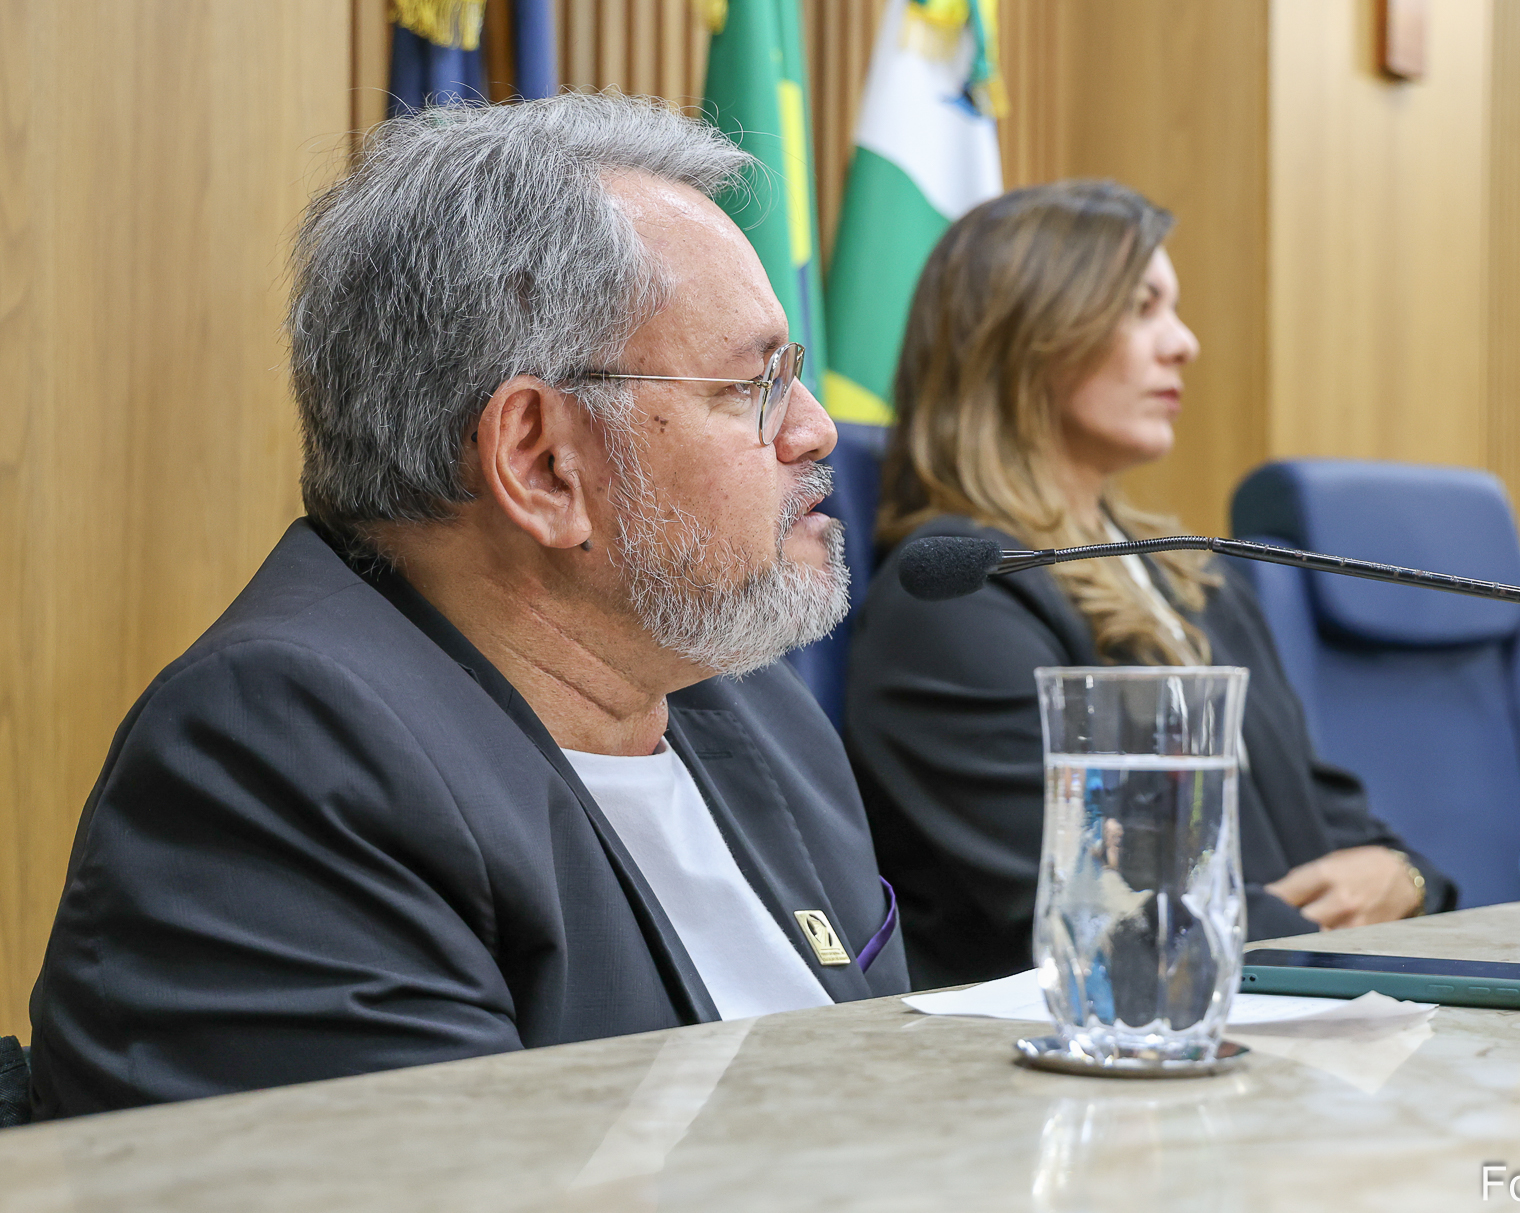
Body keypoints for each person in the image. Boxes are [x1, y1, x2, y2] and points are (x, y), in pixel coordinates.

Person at [29, 95, 906, 1119]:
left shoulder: (758, 713)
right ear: (540, 463)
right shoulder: (283, 756)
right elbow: (454, 1176)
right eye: (753, 386)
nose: (816, 431)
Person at [842, 180, 1454, 990]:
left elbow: (1331, 820)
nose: (1184, 342)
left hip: (1285, 1002)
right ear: (1026, 335)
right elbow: (1104, 906)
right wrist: (1336, 935)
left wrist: (1407, 879)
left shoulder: (1190, 573)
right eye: (1141, 307)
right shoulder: (957, 602)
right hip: (1093, 1042)